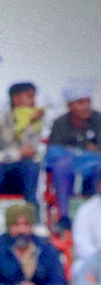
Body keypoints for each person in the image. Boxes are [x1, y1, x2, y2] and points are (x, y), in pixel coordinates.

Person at [0, 83, 44, 236]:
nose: (34, 101)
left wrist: (30, 125)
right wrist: (17, 154)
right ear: (16, 99)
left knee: (31, 165)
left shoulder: (34, 122)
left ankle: (35, 221)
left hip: (23, 179)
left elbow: (33, 153)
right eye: (30, 97)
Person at [45, 82, 101, 231]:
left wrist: (75, 152)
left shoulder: (98, 120)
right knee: (61, 165)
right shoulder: (60, 123)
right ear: (70, 105)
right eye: (80, 102)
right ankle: (64, 217)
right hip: (69, 171)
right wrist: (83, 153)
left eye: (88, 102)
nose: (86, 106)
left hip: (94, 171)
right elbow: (53, 152)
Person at [72, 172, 101, 277]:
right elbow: (82, 246)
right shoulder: (86, 210)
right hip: (95, 262)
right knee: (78, 267)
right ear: (98, 185)